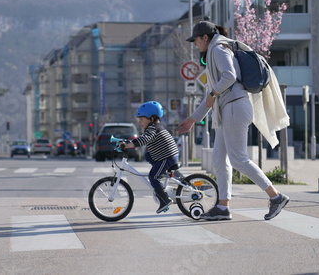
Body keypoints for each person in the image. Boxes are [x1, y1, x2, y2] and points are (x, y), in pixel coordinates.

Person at [178, 21, 290, 221]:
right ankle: (222, 207)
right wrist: (193, 119)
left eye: (195, 40)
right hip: (227, 110)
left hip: (234, 108)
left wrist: (213, 93)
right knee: (219, 160)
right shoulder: (213, 52)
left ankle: (276, 196)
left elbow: (229, 77)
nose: (195, 45)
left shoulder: (219, 49)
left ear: (205, 37)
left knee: (239, 159)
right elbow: (211, 97)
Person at [121, 101, 179, 213]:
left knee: (153, 176)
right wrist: (128, 142)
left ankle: (164, 199)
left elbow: (144, 139)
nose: (139, 122)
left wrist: (128, 145)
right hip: (166, 156)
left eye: (142, 119)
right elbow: (143, 138)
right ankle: (160, 176)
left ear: (151, 119)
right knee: (147, 155)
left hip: (167, 157)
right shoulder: (153, 127)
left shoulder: (152, 129)